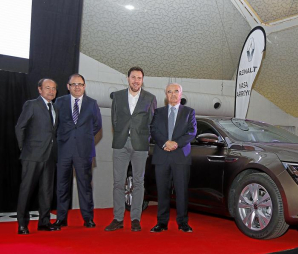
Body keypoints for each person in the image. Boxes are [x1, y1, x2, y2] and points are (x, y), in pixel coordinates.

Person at [105, 66, 157, 232]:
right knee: (118, 183)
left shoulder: (150, 98)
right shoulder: (118, 96)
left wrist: (144, 138)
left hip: (140, 145)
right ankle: (118, 218)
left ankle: (135, 218)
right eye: (133, 77)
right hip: (120, 143)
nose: (136, 81)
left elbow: (152, 122)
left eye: (139, 78)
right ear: (128, 79)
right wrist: (122, 134)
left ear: (142, 80)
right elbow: (114, 119)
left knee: (138, 182)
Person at [53, 74, 102, 228]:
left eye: (80, 84)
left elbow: (97, 125)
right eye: (73, 84)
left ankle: (88, 218)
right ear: (68, 86)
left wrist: (83, 137)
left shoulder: (92, 103)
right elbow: (54, 124)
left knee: (85, 186)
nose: (77, 87)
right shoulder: (59, 102)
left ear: (84, 86)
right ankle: (61, 218)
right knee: (62, 186)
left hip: (84, 151)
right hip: (64, 150)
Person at [15, 78, 60, 234]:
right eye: (47, 88)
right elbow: (20, 127)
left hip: (50, 155)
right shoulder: (32, 105)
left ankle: (44, 222)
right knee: (26, 190)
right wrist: (24, 148)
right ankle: (22, 224)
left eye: (54, 88)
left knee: (47, 191)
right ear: (40, 90)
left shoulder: (55, 108)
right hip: (32, 155)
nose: (51, 91)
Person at [150, 83, 197, 233]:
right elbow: (153, 130)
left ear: (181, 94)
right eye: (169, 92)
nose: (173, 94)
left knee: (182, 192)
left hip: (180, 156)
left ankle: (183, 223)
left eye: (176, 91)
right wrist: (165, 143)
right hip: (162, 155)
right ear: (166, 95)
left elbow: (192, 132)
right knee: (162, 191)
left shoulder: (189, 112)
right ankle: (161, 223)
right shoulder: (158, 112)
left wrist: (176, 143)